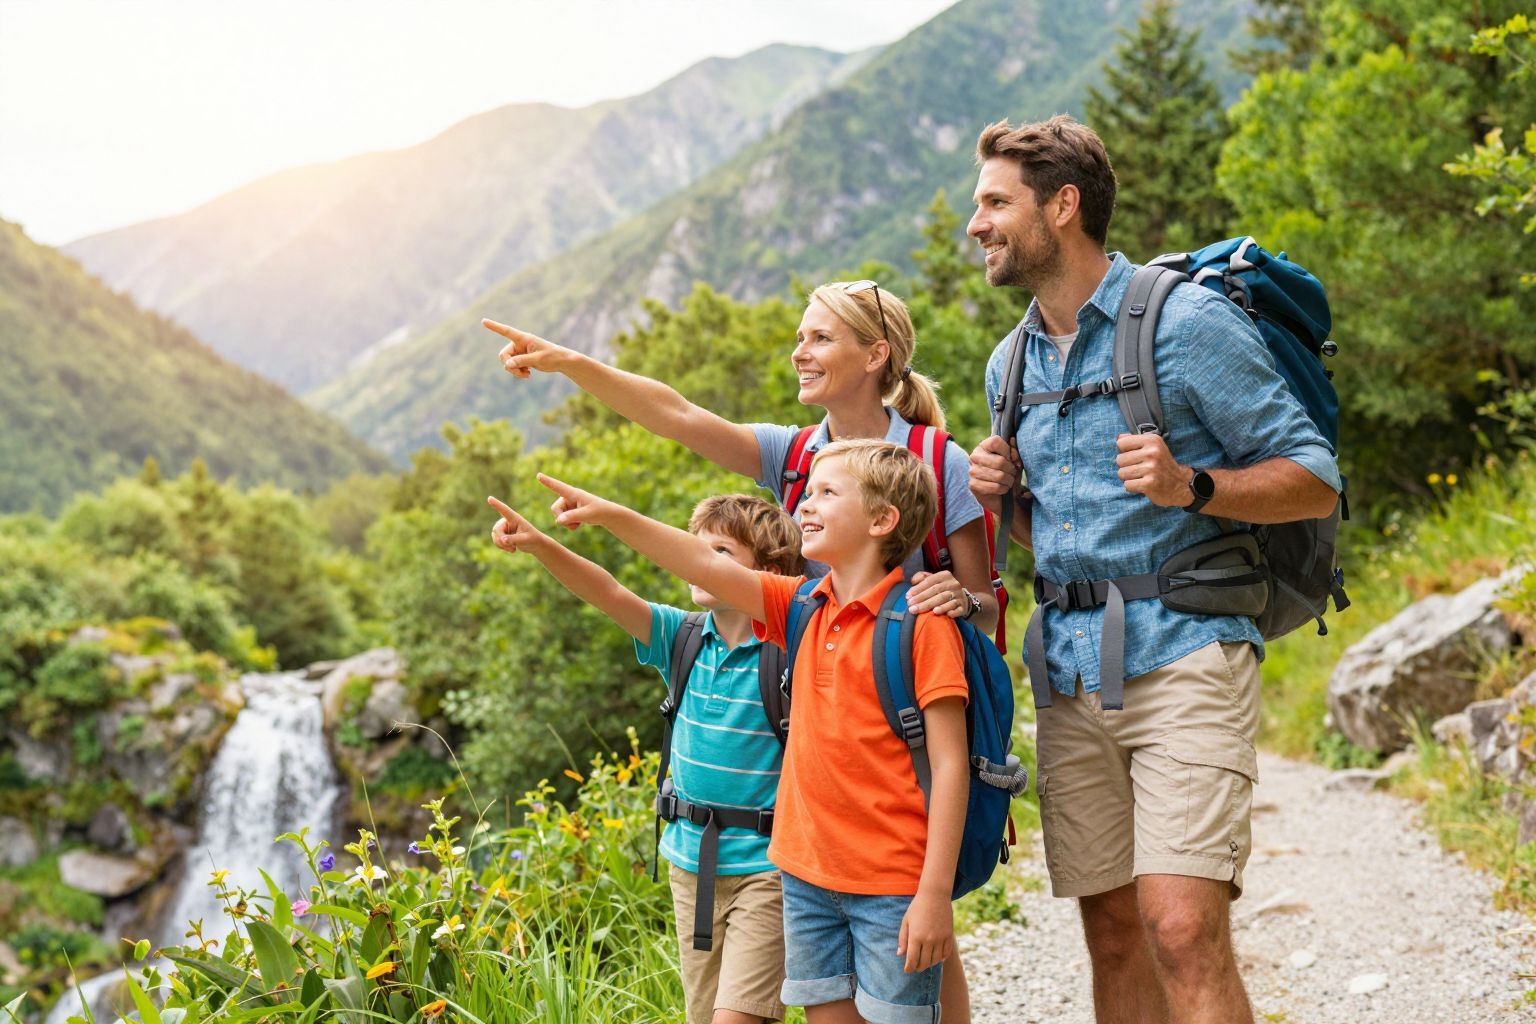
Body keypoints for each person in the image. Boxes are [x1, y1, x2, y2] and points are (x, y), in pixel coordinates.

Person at [487, 282, 988, 1020]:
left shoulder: (934, 459)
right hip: (800, 728)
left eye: (820, 338)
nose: (800, 350)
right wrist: (573, 364)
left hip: (895, 727)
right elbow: (677, 418)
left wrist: (955, 602)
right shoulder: (795, 459)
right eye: (802, 335)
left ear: (876, 355)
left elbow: (984, 598)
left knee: (909, 953)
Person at [965, 116, 1341, 1024]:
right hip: (1068, 673)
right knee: (1115, 934)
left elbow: (1315, 478)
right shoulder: (1007, 366)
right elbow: (1056, 534)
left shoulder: (1187, 323)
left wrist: (1192, 484)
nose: (976, 224)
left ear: (1063, 206)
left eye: (994, 202)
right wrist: (1005, 497)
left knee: (1180, 928)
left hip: (1187, 653)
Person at [530, 439, 969, 1024]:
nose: (805, 506)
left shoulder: (920, 627)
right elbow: (696, 564)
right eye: (807, 492)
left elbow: (950, 766)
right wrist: (605, 515)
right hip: (805, 879)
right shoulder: (801, 608)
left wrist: (935, 895)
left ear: (882, 519)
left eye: (826, 493)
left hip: (888, 881)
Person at [485, 490, 802, 1024]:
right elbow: (606, 592)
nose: (696, 562)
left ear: (767, 571)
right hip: (691, 866)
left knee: (738, 1018)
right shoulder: (681, 639)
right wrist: (542, 546)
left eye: (719, 552)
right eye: (692, 548)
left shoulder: (792, 644)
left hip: (767, 869)